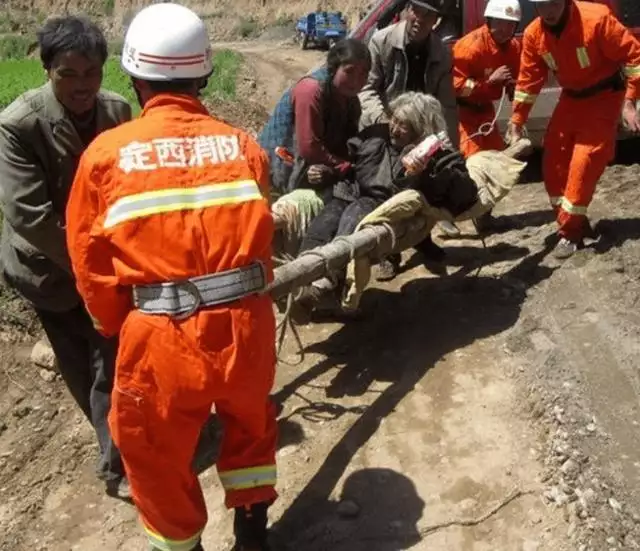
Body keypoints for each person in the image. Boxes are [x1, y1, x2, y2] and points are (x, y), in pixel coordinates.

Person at [65, 4, 277, 550]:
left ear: (134, 77)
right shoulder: (242, 145)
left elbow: (90, 264)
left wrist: (119, 325)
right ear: (203, 74)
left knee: (154, 452)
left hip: (161, 332)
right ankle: (253, 529)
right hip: (247, 325)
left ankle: (185, 545)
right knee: (251, 425)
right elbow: (262, 241)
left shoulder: (106, 156)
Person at [0, 15, 132, 499]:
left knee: (111, 363)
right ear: (47, 70)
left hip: (107, 267)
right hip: (49, 271)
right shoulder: (20, 124)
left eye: (91, 73)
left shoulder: (117, 113)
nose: (82, 87)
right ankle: (115, 455)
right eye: (68, 75)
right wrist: (90, 265)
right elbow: (28, 215)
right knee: (80, 366)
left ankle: (119, 462)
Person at [292, 92, 479, 319]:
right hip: (350, 193)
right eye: (395, 121)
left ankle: (326, 284)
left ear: (421, 130)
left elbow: (465, 193)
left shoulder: (439, 156)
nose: (394, 129)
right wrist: (326, 172)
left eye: (404, 126)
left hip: (381, 206)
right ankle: (299, 281)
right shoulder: (375, 136)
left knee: (352, 222)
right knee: (322, 225)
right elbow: (346, 162)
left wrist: (424, 176)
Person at [506, 0, 640, 259]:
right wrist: (517, 121)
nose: (549, 11)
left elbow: (634, 57)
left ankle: (569, 233)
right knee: (553, 162)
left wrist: (629, 102)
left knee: (584, 163)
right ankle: (574, 221)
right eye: (542, 6)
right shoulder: (535, 34)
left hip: (604, 97)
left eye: (554, 3)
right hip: (571, 100)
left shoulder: (596, 19)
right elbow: (527, 81)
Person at [358, 0, 461, 247]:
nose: (420, 19)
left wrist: (449, 143)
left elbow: (446, 103)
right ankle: (388, 252)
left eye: (428, 15)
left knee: (425, 183)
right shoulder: (381, 42)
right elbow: (368, 90)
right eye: (416, 10)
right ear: (406, 11)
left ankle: (422, 238)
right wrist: (385, 122)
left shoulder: (441, 53)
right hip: (386, 124)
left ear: (436, 20)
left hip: (421, 129)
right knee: (386, 189)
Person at [258, 38, 370, 197]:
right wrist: (344, 166)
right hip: (279, 167)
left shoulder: (351, 101)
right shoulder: (311, 90)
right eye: (349, 71)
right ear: (334, 68)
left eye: (363, 74)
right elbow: (309, 148)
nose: (357, 80)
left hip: (315, 166)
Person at [452, 0, 522, 232]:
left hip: (485, 112)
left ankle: (484, 217)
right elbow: (454, 85)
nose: (505, 29)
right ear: (489, 21)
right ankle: (450, 216)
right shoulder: (469, 47)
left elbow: (514, 77)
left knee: (495, 164)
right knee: (470, 167)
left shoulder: (512, 47)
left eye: (510, 24)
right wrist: (487, 84)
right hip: (463, 112)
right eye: (500, 23)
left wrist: (515, 98)